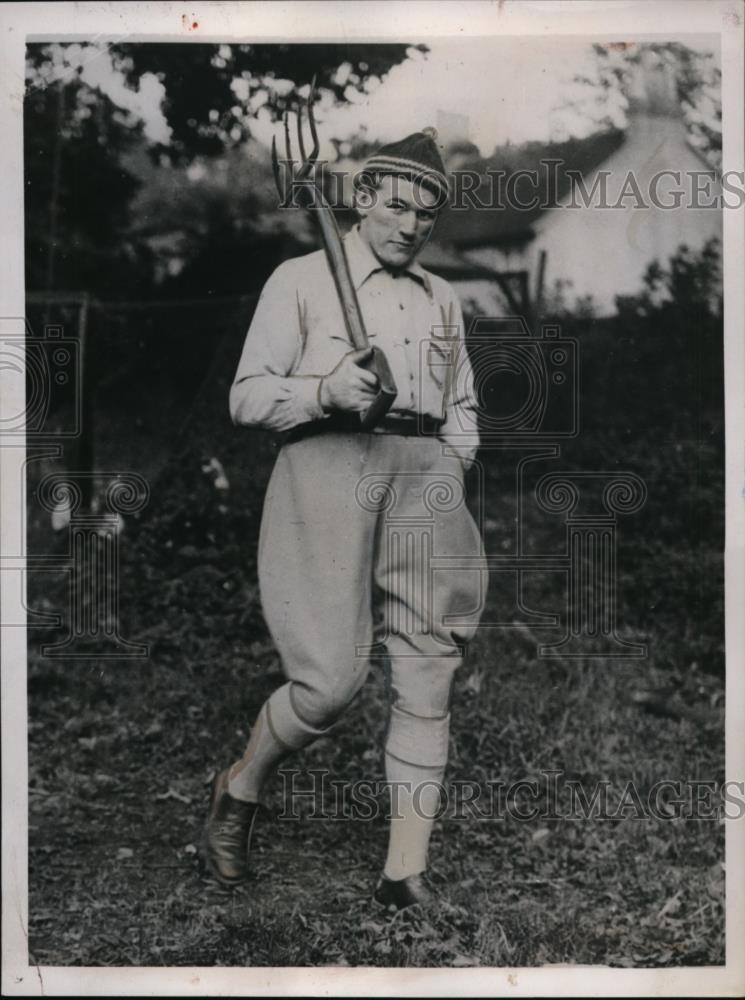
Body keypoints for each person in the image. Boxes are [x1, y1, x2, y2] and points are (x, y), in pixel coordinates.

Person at [204, 130, 487, 909]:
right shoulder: (299, 281)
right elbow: (245, 397)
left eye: (425, 215)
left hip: (423, 477)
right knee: (328, 686)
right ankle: (241, 787)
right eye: (395, 206)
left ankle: (404, 872)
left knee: (429, 666)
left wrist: (450, 462)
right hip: (326, 471)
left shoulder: (440, 296)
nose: (409, 226)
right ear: (359, 200)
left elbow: (460, 399)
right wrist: (326, 390)